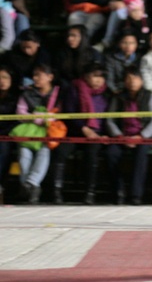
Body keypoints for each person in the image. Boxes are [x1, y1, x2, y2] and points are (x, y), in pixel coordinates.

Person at [52, 61, 112, 204]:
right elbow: (69, 112)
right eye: (94, 76)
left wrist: (103, 133)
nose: (98, 80)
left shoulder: (107, 93)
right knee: (61, 152)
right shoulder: (74, 88)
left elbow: (109, 117)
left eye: (101, 76)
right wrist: (84, 129)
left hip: (96, 134)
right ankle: (56, 192)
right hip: (75, 132)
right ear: (86, 76)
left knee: (92, 154)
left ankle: (89, 193)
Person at [105, 66, 152, 205]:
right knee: (111, 153)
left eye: (135, 78)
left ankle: (136, 195)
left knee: (141, 153)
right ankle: (118, 192)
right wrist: (119, 136)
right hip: (122, 137)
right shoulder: (118, 97)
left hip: (144, 137)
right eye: (129, 78)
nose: (132, 82)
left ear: (141, 80)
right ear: (124, 81)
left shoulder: (149, 96)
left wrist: (141, 136)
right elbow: (109, 119)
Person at [15, 63, 61, 204]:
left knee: (44, 152)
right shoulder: (26, 93)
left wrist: (36, 116)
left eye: (39, 75)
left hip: (47, 133)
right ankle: (32, 187)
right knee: (23, 156)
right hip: (28, 132)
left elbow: (58, 114)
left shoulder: (57, 94)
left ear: (50, 77)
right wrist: (41, 117)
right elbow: (20, 113)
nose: (35, 78)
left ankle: (28, 186)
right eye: (34, 75)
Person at [0, 65, 19, 204]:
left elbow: (17, 120)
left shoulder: (17, 97)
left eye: (5, 77)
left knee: (3, 150)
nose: (2, 81)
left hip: (7, 134)